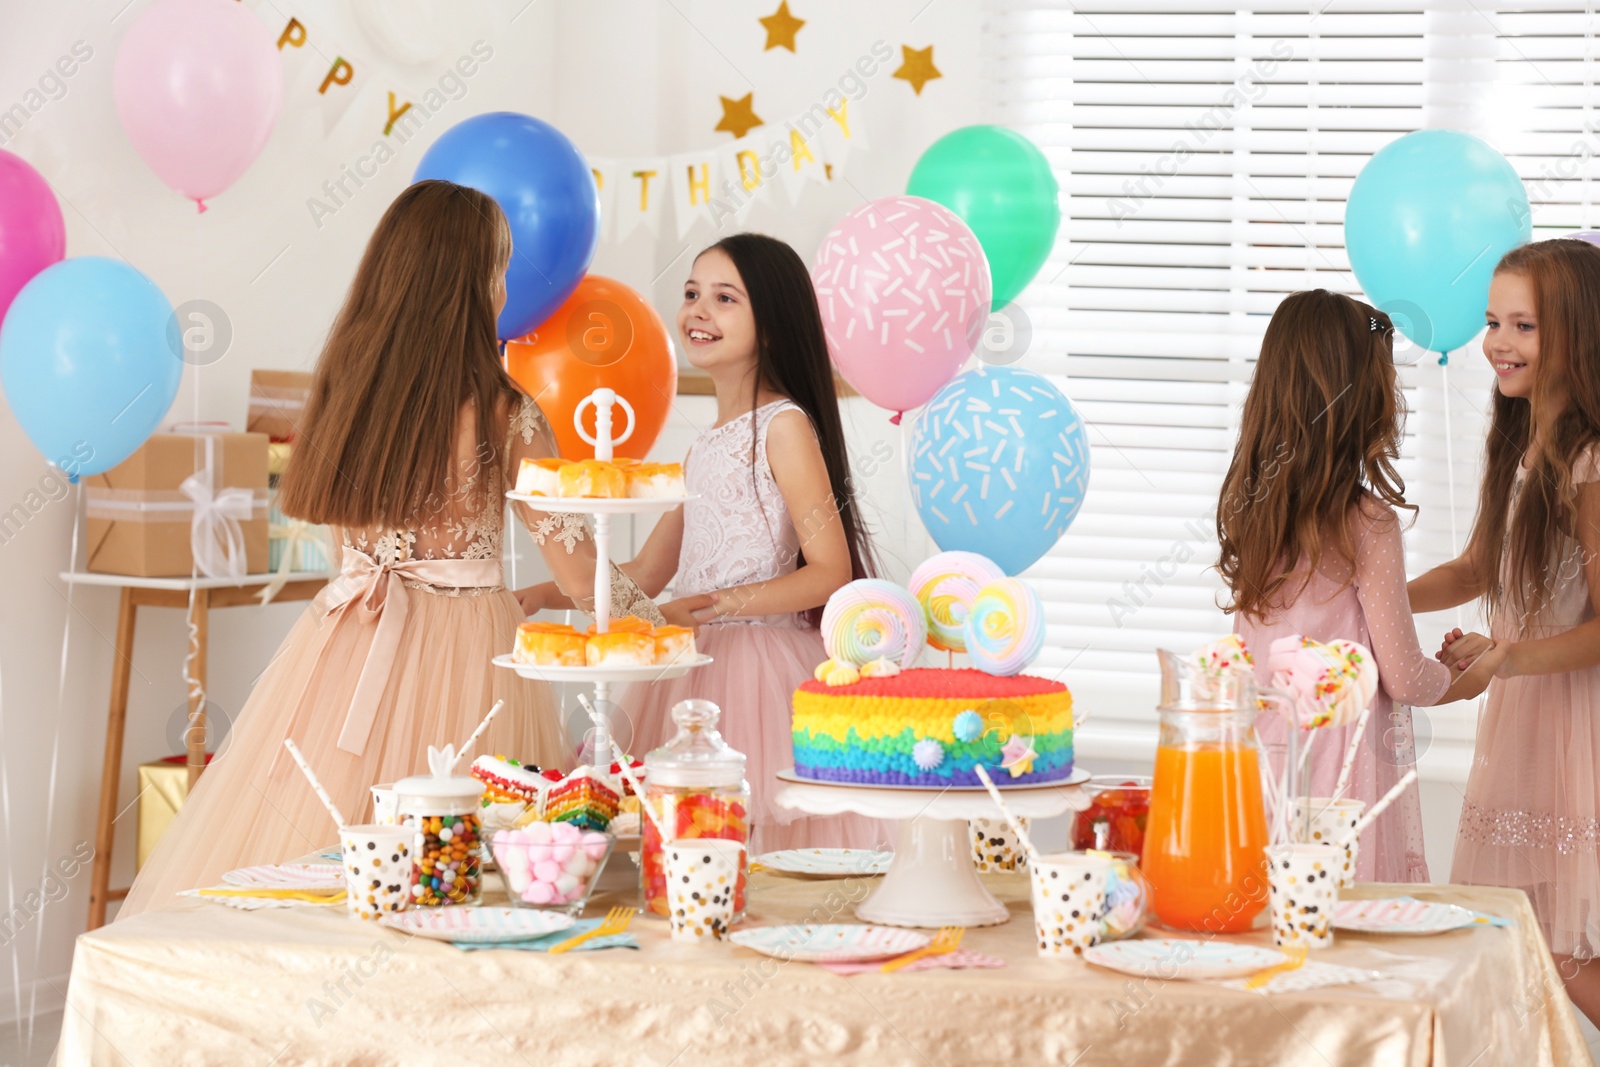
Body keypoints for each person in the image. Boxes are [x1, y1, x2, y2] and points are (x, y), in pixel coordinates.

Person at [120, 180, 662, 917]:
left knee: (328, 861)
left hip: (345, 637)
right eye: (498, 266)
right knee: (467, 869)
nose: (505, 284)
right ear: (471, 280)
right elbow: (576, 577)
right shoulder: (508, 409)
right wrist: (652, 614)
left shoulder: (348, 390)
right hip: (469, 655)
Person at [517, 233, 881, 852]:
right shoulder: (703, 448)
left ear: (770, 327)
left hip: (757, 669)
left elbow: (829, 571)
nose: (698, 311)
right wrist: (541, 593)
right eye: (691, 294)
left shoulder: (785, 427)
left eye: (724, 298)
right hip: (691, 663)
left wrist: (713, 606)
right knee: (685, 837)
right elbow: (645, 575)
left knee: (748, 833)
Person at [1216, 288, 1504, 882]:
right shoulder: (1368, 524)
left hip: (1258, 763)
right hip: (1339, 777)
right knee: (1348, 933)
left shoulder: (1253, 509)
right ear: (1363, 400)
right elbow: (1403, 676)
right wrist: (1465, 678)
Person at [1410, 239, 1600, 1025]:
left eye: (1524, 325)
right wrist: (1365, 595)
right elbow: (1475, 570)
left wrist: (1508, 655)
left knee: (1563, 944)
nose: (1498, 343)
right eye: (1493, 322)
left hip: (1574, 722)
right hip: (1524, 713)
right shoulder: (1517, 445)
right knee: (1520, 929)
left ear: (1577, 335)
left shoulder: (1590, 461)